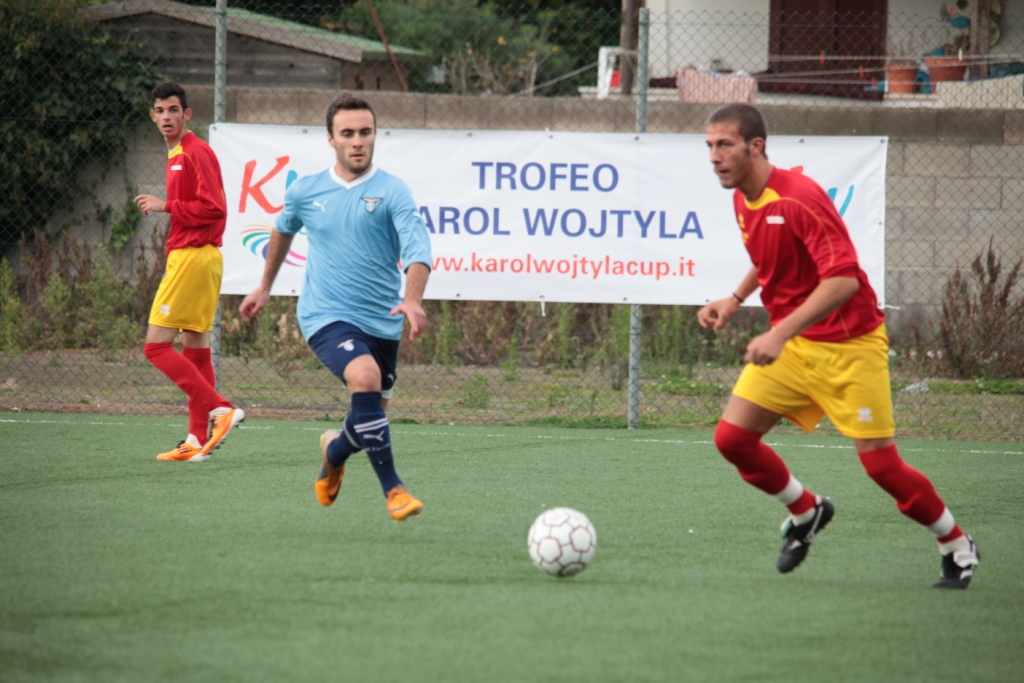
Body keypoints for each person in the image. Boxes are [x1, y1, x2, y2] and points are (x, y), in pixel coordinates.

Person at [698, 103, 979, 588]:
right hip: (794, 347)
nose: (714, 156)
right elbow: (771, 257)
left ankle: (956, 544)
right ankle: (806, 510)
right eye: (709, 146)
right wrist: (735, 298)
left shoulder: (799, 197)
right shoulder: (744, 198)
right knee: (733, 440)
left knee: (882, 467)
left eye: (725, 145)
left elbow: (843, 280)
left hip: (850, 347)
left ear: (756, 146)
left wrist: (777, 333)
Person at [239, 92, 432, 522]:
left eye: (365, 132)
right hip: (325, 315)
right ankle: (395, 491)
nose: (357, 141)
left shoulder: (393, 191)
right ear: (330, 139)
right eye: (347, 133)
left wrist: (412, 299)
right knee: (365, 378)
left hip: (383, 322)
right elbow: (282, 229)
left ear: (375, 135)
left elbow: (418, 249)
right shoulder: (306, 191)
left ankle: (334, 449)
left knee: (368, 421)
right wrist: (265, 286)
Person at [135, 82, 244, 462]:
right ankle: (196, 442)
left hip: (193, 258)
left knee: (155, 346)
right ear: (153, 116)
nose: (167, 116)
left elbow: (215, 208)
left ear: (187, 115)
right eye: (160, 110)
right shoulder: (177, 153)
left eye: (173, 110)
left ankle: (221, 408)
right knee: (195, 348)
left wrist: (166, 205)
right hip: (199, 258)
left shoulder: (196, 151)